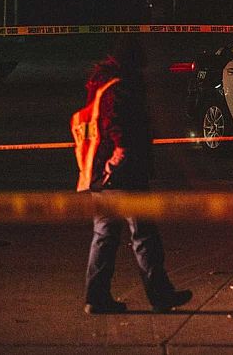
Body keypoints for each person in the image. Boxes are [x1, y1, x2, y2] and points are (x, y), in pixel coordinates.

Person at [81, 34, 192, 314]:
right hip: (125, 174)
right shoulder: (121, 87)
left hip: (101, 175)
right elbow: (119, 128)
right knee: (144, 235)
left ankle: (96, 297)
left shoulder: (101, 84)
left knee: (104, 236)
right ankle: (160, 294)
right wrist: (119, 159)